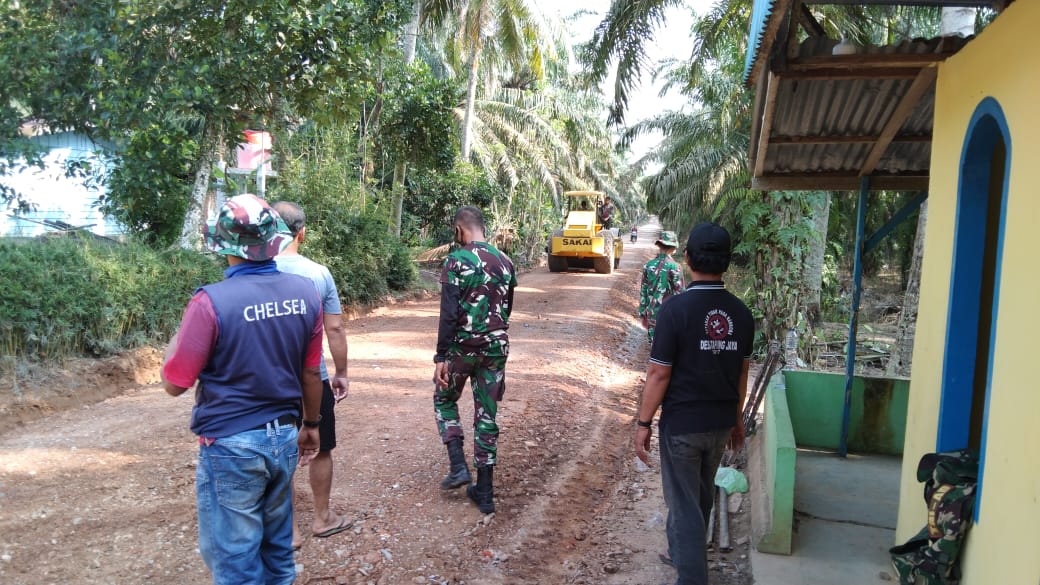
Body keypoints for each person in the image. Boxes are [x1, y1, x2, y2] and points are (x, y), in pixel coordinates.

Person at [161, 193, 325, 585]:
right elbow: (310, 374)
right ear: (274, 239)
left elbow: (173, 384)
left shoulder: (209, 302)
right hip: (284, 437)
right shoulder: (306, 294)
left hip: (231, 445)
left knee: (235, 559)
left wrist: (180, 331)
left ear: (222, 244)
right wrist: (312, 424)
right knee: (277, 549)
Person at [634, 222, 754, 585]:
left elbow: (658, 375)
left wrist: (642, 424)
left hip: (683, 426)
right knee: (699, 497)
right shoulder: (741, 314)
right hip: (719, 423)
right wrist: (736, 420)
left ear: (687, 259)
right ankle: (682, 553)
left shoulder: (675, 310)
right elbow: (741, 376)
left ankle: (691, 576)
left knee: (685, 505)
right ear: (727, 263)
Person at [272, 201, 353, 547]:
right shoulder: (319, 274)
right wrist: (342, 371)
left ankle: (287, 531)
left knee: (279, 451)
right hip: (313, 377)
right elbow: (334, 329)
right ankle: (322, 518)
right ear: (301, 233)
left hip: (270, 379)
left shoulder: (255, 271)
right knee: (321, 447)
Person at [433, 206, 517, 514]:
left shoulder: (455, 261)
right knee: (487, 415)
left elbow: (449, 314)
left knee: (444, 398)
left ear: (458, 230)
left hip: (462, 349)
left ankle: (458, 465)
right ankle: (485, 492)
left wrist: (441, 356)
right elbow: (506, 309)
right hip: (496, 349)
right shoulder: (506, 262)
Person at [638, 230, 685, 343]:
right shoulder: (675, 267)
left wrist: (643, 314)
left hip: (652, 314)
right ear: (674, 248)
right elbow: (681, 295)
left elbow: (643, 291)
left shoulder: (648, 266)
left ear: (659, 246)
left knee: (654, 347)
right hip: (670, 317)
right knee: (668, 349)